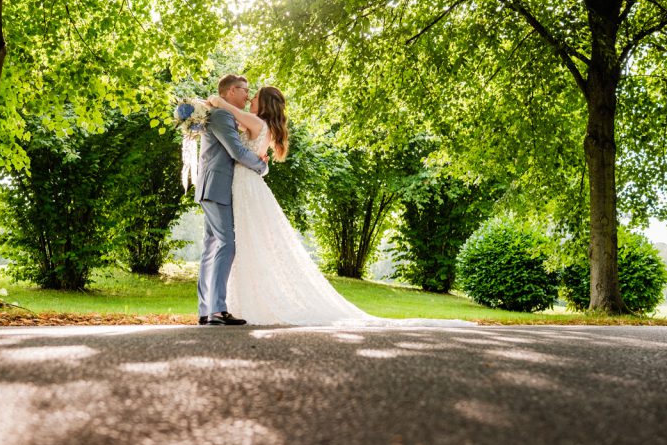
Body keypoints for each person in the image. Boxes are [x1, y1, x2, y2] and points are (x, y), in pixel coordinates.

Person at [206, 86, 473, 328]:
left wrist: (217, 101)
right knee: (246, 240)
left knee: (241, 240)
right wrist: (261, 164)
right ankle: (230, 304)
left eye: (255, 97)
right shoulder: (268, 127)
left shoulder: (256, 121)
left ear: (264, 104)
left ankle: (229, 304)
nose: (250, 100)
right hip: (248, 184)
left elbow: (230, 114)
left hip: (243, 184)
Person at [195, 75, 269, 326]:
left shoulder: (221, 115)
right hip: (217, 187)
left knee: (211, 246)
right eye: (245, 91)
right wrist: (261, 166)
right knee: (227, 244)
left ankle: (207, 310)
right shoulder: (222, 116)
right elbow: (236, 151)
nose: (247, 96)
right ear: (230, 91)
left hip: (211, 186)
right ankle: (217, 309)